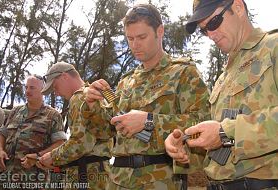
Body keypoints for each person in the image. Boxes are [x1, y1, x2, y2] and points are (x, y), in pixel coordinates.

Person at [83, 3, 210, 190]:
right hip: (118, 180)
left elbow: (202, 124)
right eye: (130, 38)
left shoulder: (184, 73)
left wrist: (149, 122)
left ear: (160, 31)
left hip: (160, 180)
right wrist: (92, 106)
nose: (135, 45)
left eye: (142, 37)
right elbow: (104, 132)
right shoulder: (125, 82)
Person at [165, 0, 278, 189]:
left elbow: (223, 133)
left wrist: (227, 132)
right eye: (204, 30)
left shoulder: (273, 47)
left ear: (238, 8)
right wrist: (184, 144)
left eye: (214, 22)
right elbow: (217, 148)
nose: (210, 34)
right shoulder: (223, 78)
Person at [39, 62, 111, 190]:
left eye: (55, 87)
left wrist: (52, 157)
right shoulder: (93, 94)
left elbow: (81, 143)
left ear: (64, 76)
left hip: (85, 174)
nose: (56, 93)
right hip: (98, 172)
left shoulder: (79, 97)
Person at [0, 74, 66, 186]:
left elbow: (60, 144)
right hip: (5, 175)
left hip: (33, 179)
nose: (27, 91)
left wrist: (38, 156)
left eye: (32, 87)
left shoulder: (53, 115)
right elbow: (2, 134)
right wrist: (0, 151)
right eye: (26, 87)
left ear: (43, 90)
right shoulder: (15, 111)